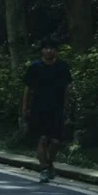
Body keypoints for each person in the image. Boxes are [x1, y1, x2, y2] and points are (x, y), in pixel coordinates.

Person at [22, 39, 73, 183]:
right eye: (46, 48)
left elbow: (67, 88)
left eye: (52, 48)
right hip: (38, 108)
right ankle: (44, 168)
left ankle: (49, 163)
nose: (49, 51)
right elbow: (27, 89)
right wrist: (25, 107)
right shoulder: (35, 67)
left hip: (57, 108)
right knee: (42, 139)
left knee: (55, 141)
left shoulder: (62, 67)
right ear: (42, 50)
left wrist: (68, 106)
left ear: (56, 51)